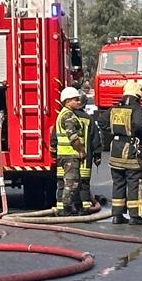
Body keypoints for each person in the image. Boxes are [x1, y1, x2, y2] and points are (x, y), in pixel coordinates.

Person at [104, 80, 142, 225]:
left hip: (115, 152)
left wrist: (115, 131)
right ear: (138, 95)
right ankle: (135, 216)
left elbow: (102, 121)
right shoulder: (136, 109)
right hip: (131, 152)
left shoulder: (114, 109)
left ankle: (117, 215)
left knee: (118, 183)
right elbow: (141, 125)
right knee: (134, 184)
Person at [53, 86, 92, 216]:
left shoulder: (65, 114)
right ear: (68, 101)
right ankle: (66, 209)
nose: (78, 102)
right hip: (70, 154)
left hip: (66, 154)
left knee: (76, 181)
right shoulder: (68, 116)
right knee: (71, 183)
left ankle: (78, 206)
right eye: (76, 100)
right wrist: (81, 150)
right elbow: (73, 137)